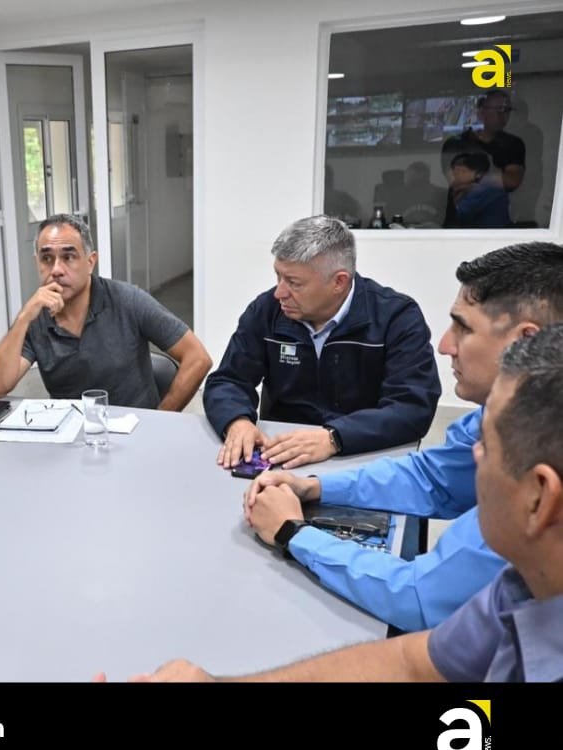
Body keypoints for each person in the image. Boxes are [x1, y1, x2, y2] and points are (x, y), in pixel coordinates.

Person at [106, 324, 563, 682]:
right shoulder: (518, 590)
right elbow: (411, 664)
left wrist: (294, 533)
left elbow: (418, 598)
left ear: (540, 498)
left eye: (486, 445)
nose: (470, 455)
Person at [241, 242, 563, 632]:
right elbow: (434, 478)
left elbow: (420, 597)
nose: (445, 346)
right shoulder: (501, 415)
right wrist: (315, 487)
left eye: (463, 327)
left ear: (525, 341)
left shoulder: (540, 459)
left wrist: (293, 532)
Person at [203, 214, 440, 471]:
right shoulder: (267, 311)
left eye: (294, 283)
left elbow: (412, 406)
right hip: (283, 455)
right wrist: (237, 421)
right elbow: (228, 380)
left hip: (363, 456)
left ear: (339, 281)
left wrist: (335, 438)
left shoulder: (396, 318)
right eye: (278, 276)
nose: (279, 292)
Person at [0, 213, 212, 410]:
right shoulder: (36, 315)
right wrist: (24, 318)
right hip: (71, 434)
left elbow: (198, 358)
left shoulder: (128, 300)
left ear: (90, 262)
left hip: (133, 430)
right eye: (47, 259)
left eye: (68, 257)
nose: (56, 269)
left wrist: (159, 419)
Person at [441, 90, 524, 227]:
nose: (503, 115)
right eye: (499, 109)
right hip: (459, 224)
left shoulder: (513, 144)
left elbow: (512, 181)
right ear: (481, 112)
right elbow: (457, 180)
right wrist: (495, 179)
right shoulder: (455, 143)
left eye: (507, 110)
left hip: (497, 224)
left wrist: (475, 176)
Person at [446, 152, 510, 229]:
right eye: (454, 170)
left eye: (462, 171)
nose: (455, 174)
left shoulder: (486, 192)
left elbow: (460, 215)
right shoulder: (451, 193)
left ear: (478, 174)